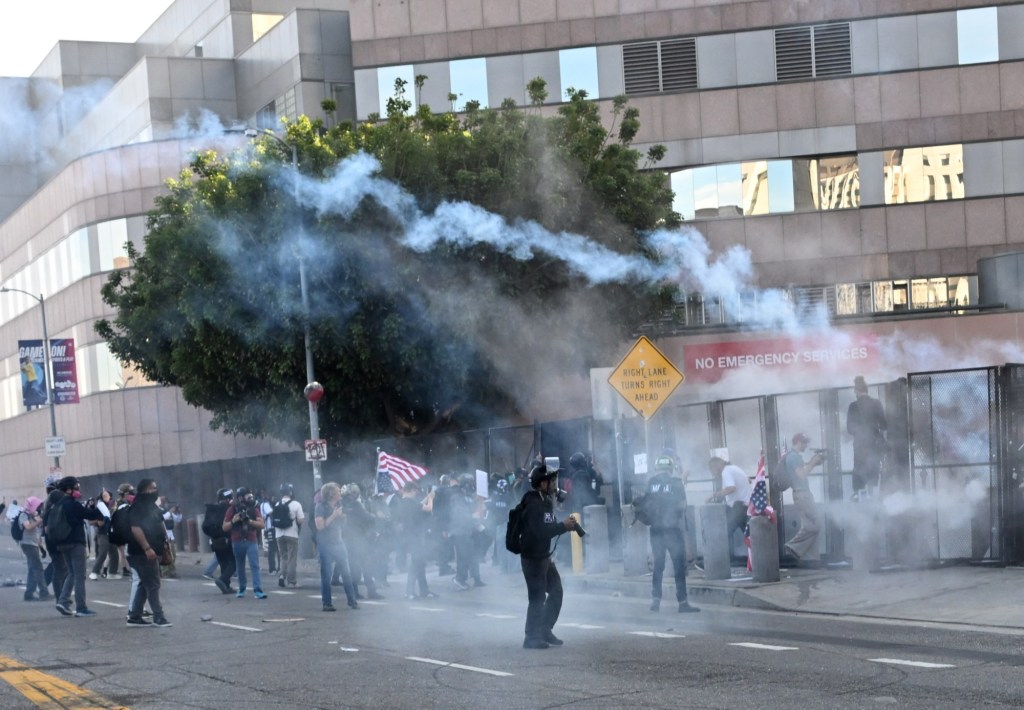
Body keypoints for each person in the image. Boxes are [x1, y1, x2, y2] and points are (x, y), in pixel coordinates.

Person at [519, 463, 579, 650]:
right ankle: (531, 637)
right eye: (551, 481)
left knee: (556, 590)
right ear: (541, 483)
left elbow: (549, 525)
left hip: (543, 556)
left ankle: (545, 628)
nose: (555, 484)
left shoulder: (545, 502)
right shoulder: (534, 504)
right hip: (533, 558)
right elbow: (541, 531)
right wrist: (563, 526)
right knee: (536, 598)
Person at [646, 457, 699, 614]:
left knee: (658, 565)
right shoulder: (676, 482)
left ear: (657, 468)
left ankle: (655, 601)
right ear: (670, 468)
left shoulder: (651, 483)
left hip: (655, 529)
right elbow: (682, 505)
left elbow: (647, 504)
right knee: (678, 566)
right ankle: (682, 603)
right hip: (672, 529)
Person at [52, 476, 104, 617]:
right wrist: (98, 505)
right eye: (76, 487)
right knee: (80, 576)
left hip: (62, 543)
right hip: (76, 543)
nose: (78, 490)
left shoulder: (58, 504)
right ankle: (81, 607)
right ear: (68, 489)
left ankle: (63, 601)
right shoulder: (72, 504)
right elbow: (92, 515)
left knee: (72, 573)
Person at [126, 478, 172, 627]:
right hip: (142, 553)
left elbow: (160, 522)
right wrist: (147, 548)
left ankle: (135, 616)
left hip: (153, 550)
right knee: (153, 585)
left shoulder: (150, 505)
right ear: (145, 490)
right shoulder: (138, 506)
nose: (155, 490)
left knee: (145, 584)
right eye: (153, 488)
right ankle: (159, 617)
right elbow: (136, 529)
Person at [315, 482, 359, 612]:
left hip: (339, 542)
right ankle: (327, 603)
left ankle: (352, 600)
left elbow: (342, 524)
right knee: (326, 575)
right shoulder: (320, 507)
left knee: (347, 572)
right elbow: (320, 526)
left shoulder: (339, 505)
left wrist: (343, 516)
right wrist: (334, 515)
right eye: (338, 491)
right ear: (331, 494)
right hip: (325, 544)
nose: (340, 493)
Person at [783, 433, 826, 563]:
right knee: (815, 524)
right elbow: (801, 474)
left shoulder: (793, 457)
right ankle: (793, 546)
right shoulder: (793, 457)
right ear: (797, 442)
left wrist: (815, 463)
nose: (806, 445)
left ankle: (811, 558)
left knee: (810, 524)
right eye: (804, 442)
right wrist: (813, 462)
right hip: (802, 494)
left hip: (801, 493)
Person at [222, 487, 267, 599]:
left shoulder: (254, 508)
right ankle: (242, 588)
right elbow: (224, 527)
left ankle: (258, 590)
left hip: (251, 539)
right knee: (240, 566)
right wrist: (233, 520)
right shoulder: (232, 509)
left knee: (254, 565)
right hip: (237, 540)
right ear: (241, 497)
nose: (250, 497)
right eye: (247, 495)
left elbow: (262, 525)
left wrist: (250, 521)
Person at [847, 375, 888, 497]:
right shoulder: (876, 403)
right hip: (874, 446)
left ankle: (861, 501)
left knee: (859, 476)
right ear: (866, 389)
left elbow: (850, 429)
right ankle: (873, 503)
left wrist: (859, 431)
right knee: (873, 476)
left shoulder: (853, 406)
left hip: (860, 447)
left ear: (856, 390)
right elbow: (884, 425)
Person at [706, 457, 753, 554]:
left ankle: (715, 559)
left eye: (712, 469)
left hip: (738, 508)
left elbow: (731, 488)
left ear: (717, 465)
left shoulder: (726, 471)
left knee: (722, 534)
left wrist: (714, 495)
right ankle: (757, 559)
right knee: (749, 535)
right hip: (744, 507)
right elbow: (748, 481)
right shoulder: (734, 468)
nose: (713, 473)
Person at [18, 496, 48, 601]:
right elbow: (28, 527)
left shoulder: (31, 515)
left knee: (32, 569)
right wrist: (38, 521)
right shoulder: (24, 515)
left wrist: (42, 548)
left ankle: (29, 594)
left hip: (33, 544)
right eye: (37, 506)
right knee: (38, 568)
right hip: (27, 544)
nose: (38, 508)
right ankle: (44, 593)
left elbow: (35, 534)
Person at [275, 483, 305, 588]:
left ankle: (282, 576)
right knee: (292, 558)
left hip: (279, 534)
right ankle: (291, 581)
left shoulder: (277, 504)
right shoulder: (296, 504)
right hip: (292, 533)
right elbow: (301, 520)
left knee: (283, 556)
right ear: (290, 492)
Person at [89, 489, 114, 580]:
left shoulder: (106, 508)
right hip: (102, 533)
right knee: (103, 553)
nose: (109, 498)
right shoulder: (100, 508)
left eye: (109, 496)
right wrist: (101, 521)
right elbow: (93, 522)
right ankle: (94, 572)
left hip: (108, 533)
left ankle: (112, 572)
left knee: (113, 552)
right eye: (106, 496)